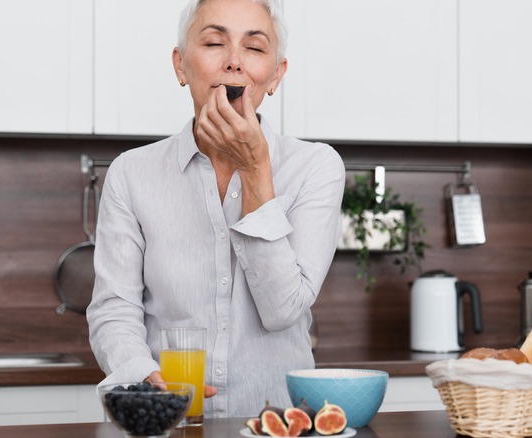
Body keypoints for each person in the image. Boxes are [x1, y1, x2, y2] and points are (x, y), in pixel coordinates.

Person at [87, 0, 345, 418]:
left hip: (277, 420)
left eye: (255, 48)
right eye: (213, 43)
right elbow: (114, 308)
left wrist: (256, 168)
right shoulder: (130, 174)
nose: (234, 63)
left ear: (276, 75)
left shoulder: (316, 167)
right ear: (180, 66)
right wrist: (141, 374)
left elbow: (282, 310)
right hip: (167, 421)